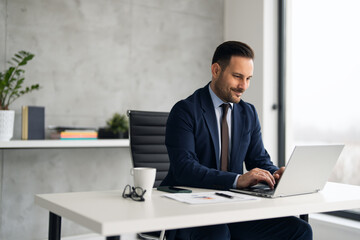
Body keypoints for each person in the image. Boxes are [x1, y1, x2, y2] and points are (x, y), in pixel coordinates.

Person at [160, 41, 313, 239]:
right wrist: (237, 180)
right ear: (216, 70)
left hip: (232, 207)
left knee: (300, 230)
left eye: (248, 78)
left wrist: (276, 175)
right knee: (219, 234)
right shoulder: (185, 111)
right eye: (237, 77)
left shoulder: (247, 113)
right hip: (191, 211)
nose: (244, 86)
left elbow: (258, 160)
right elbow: (184, 169)